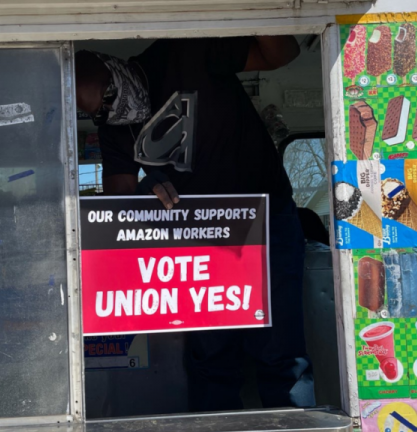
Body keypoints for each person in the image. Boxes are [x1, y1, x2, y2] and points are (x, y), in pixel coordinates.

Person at [75, 36, 311, 411]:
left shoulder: (184, 51)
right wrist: (143, 188)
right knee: (212, 358)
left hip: (264, 219)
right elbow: (119, 201)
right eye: (98, 112)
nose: (110, 111)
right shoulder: (113, 129)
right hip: (198, 239)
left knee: (281, 354)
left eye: (106, 96)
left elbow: (282, 53)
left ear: (112, 67)